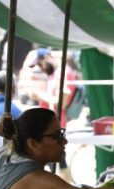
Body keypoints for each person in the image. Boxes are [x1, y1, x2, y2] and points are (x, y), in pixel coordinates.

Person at [28, 48, 77, 181]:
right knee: (56, 162)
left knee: (57, 161)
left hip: (54, 125)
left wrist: (39, 94)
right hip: (51, 124)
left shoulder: (63, 72)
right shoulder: (56, 73)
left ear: (47, 58)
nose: (41, 68)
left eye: (40, 64)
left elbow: (63, 102)